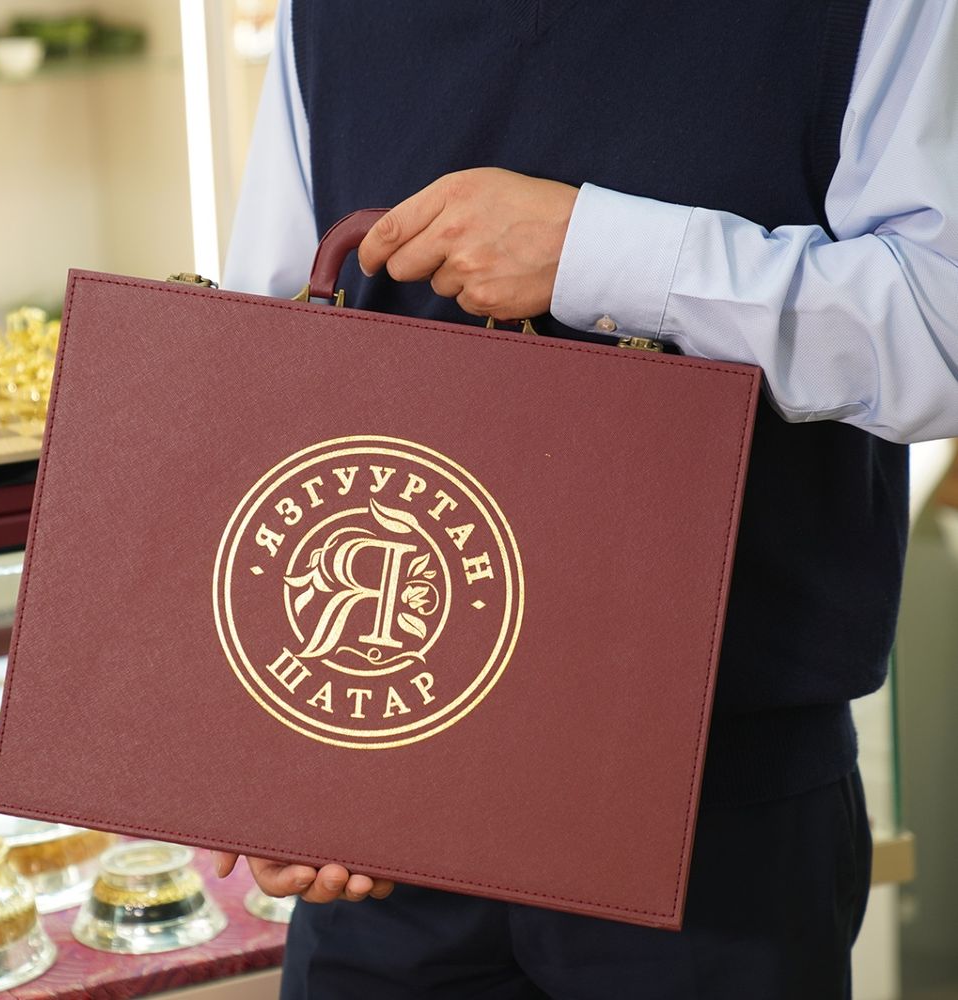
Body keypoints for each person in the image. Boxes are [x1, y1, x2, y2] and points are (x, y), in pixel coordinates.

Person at [213, 0, 958, 996]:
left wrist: (596, 251)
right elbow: (268, 356)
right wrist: (267, 755)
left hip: (713, 821)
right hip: (381, 785)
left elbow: (941, 325)